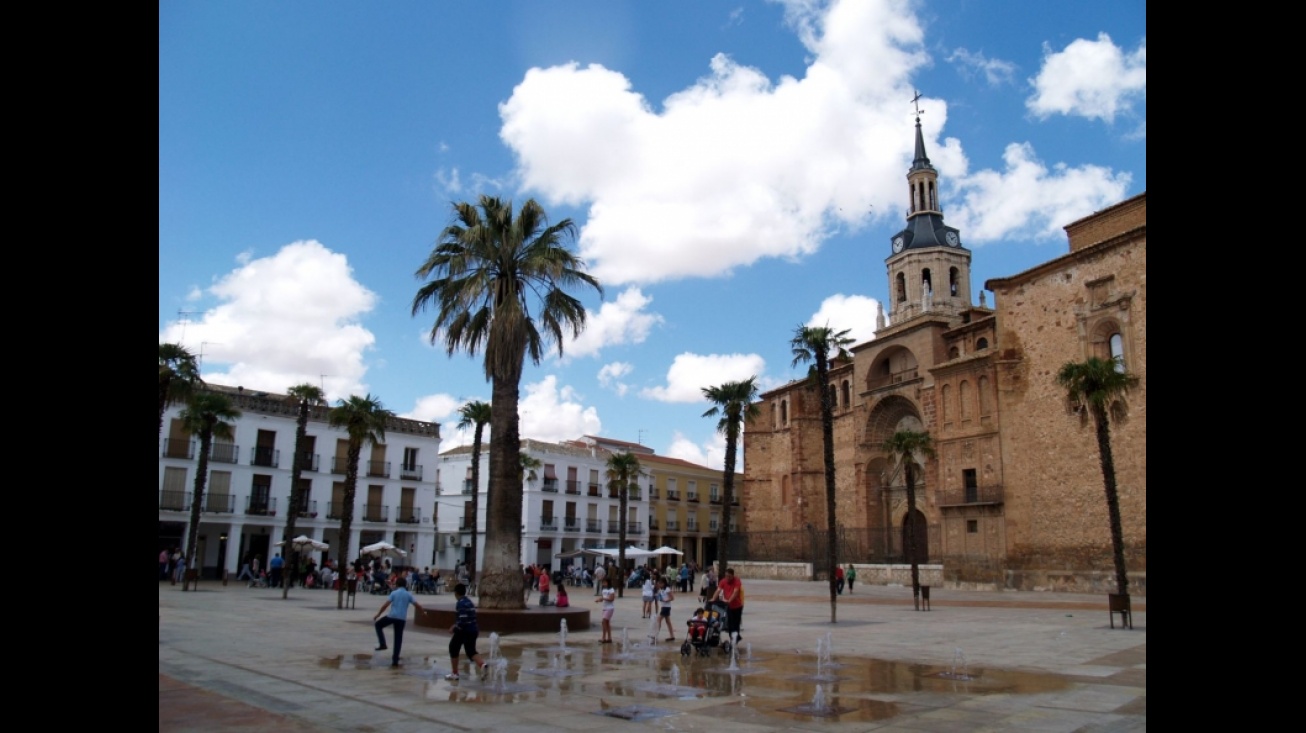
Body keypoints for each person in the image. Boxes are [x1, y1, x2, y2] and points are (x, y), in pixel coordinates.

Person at [373, 577, 424, 668]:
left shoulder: (394, 593)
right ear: (405, 585)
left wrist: (378, 614)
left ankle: (382, 643)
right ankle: (395, 660)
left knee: (378, 625)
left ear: (397, 584)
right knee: (398, 639)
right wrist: (423, 612)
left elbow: (385, 605)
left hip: (392, 616)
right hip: (401, 619)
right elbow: (417, 605)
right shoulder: (408, 595)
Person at [445, 583, 489, 682]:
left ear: (456, 593)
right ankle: (483, 665)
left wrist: (454, 628)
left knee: (453, 647)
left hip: (465, 631)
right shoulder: (469, 602)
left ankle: (455, 673)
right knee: (471, 651)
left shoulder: (460, 603)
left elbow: (463, 620)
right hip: (474, 630)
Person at [714, 567, 744, 642]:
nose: (727, 578)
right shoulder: (723, 581)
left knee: (736, 624)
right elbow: (718, 590)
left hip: (737, 606)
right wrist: (713, 599)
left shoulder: (737, 581)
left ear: (733, 576)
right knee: (730, 624)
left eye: (729, 576)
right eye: (726, 576)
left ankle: (735, 639)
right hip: (728, 606)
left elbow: (735, 592)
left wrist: (729, 600)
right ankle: (733, 638)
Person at [595, 577, 616, 643]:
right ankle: (609, 638)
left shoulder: (611, 590)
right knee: (607, 623)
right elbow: (603, 598)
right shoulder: (604, 590)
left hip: (610, 608)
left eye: (604, 582)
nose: (603, 584)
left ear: (608, 582)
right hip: (604, 608)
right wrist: (599, 600)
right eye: (603, 582)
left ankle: (604, 637)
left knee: (604, 621)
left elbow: (611, 599)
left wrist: (604, 598)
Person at [655, 578, 676, 642]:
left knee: (659, 620)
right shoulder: (661, 590)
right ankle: (672, 636)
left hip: (666, 607)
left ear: (663, 583)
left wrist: (666, 600)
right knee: (668, 622)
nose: (659, 584)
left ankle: (656, 635)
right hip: (663, 606)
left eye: (660, 583)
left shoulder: (667, 589)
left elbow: (672, 598)